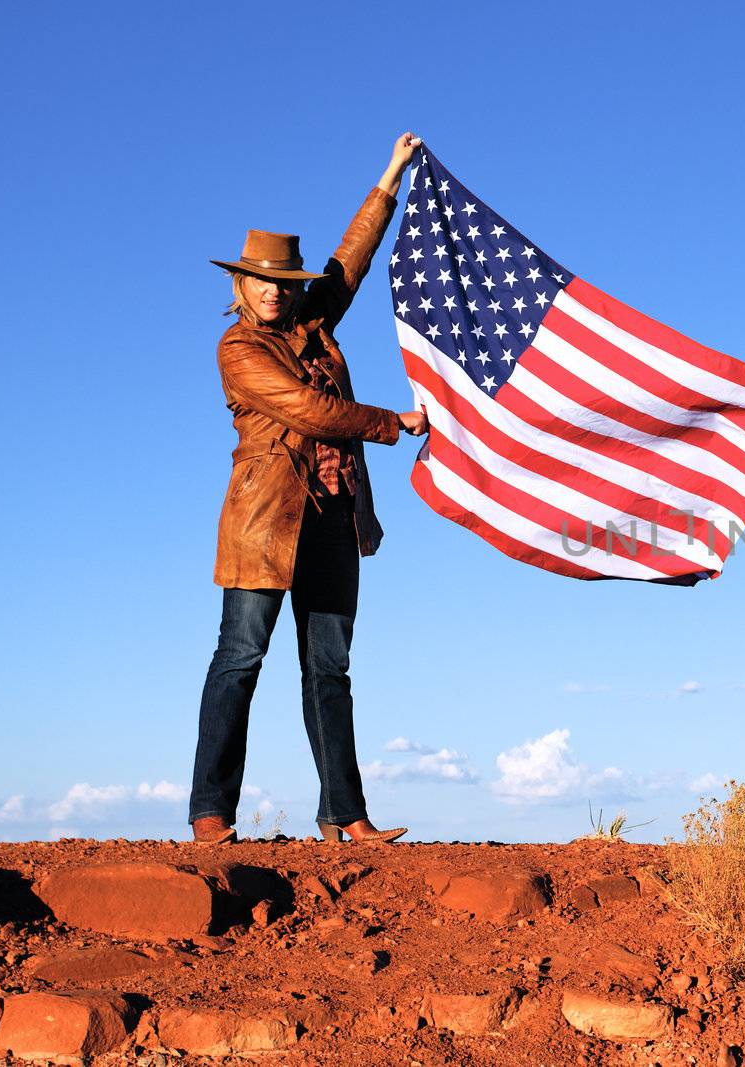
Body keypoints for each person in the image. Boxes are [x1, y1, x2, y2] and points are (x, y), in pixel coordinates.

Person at [189, 132, 428, 845]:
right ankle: (210, 810)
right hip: (264, 525)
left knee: (330, 667)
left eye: (281, 282)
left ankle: (345, 814)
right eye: (259, 280)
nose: (270, 291)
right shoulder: (239, 349)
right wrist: (393, 421)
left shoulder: (312, 320)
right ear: (240, 284)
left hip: (333, 517)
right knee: (240, 657)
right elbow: (309, 409)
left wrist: (389, 176)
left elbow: (349, 262)